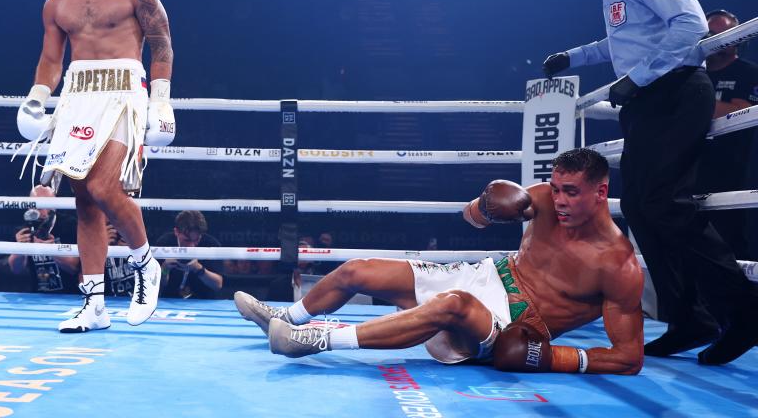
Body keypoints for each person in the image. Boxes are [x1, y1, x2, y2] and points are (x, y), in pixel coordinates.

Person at [541, 0, 758, 365]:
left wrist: (637, 78)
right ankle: (689, 318)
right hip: (649, 100)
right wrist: (573, 58)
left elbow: (691, 26)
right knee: (641, 208)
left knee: (663, 202)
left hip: (675, 92)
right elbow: (621, 42)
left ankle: (744, 310)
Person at [235, 149, 644, 374]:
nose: (559, 201)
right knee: (357, 269)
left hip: (514, 320)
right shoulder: (540, 200)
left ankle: (314, 341)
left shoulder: (616, 264)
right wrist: (486, 206)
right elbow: (470, 216)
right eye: (555, 189)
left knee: (452, 304)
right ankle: (288, 318)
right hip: (490, 273)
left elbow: (628, 357)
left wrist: (554, 358)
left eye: (570, 192)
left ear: (601, 192)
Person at [16, 0, 175, 332]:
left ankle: (145, 263)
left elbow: (161, 45)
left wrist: (161, 100)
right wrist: (37, 96)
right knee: (84, 199)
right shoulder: (56, 1)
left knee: (105, 186)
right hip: (77, 94)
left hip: (124, 91)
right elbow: (51, 60)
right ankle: (95, 305)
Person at [695, 9, 758, 259]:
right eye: (712, 34)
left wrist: (692, 103)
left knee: (729, 245)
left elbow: (743, 112)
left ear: (739, 38)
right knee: (691, 249)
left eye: (726, 34)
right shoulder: (692, 74)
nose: (718, 39)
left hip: (730, 168)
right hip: (690, 167)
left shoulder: (748, 72)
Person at [8, 185, 81, 294]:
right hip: (38, 296)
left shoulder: (70, 225)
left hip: (69, 295)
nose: (40, 208)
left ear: (54, 206)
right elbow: (16, 269)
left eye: (45, 203)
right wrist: (20, 248)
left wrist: (51, 250)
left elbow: (74, 267)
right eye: (36, 204)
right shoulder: (25, 230)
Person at [155, 211, 224, 299]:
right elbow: (157, 286)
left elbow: (218, 285)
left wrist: (198, 269)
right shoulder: (164, 244)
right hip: (170, 299)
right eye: (187, 240)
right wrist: (165, 269)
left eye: (196, 240)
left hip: (203, 301)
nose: (191, 245)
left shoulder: (211, 245)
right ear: (176, 232)